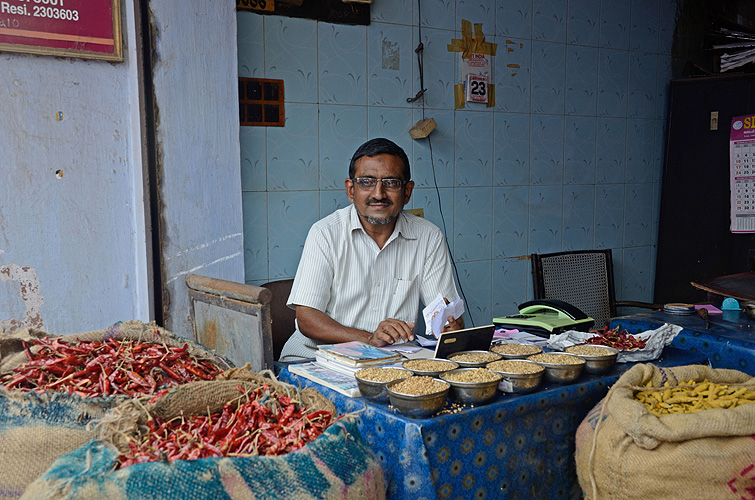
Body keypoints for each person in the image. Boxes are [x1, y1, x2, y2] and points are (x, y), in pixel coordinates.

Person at [278, 138, 464, 362]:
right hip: (316, 356)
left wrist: (450, 326)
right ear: (350, 189)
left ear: (407, 191)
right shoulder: (325, 233)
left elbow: (444, 312)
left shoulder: (428, 236)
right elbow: (307, 318)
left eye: (391, 183)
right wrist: (368, 339)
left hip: (390, 361)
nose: (378, 194)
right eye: (367, 182)